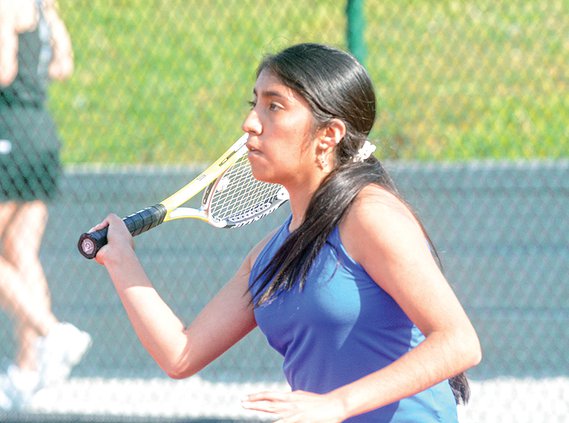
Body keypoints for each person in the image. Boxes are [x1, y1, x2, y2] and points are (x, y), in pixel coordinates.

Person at [90, 43, 481, 422]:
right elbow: (180, 354)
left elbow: (458, 342)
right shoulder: (269, 256)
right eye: (254, 103)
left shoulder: (371, 216)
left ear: (328, 135)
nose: (250, 124)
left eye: (274, 106)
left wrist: (337, 405)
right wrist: (121, 260)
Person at [0, 0, 91, 410]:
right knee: (20, 253)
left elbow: (3, 69)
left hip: (9, 133)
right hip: (40, 133)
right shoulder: (42, 8)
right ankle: (27, 371)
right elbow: (61, 66)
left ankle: (52, 333)